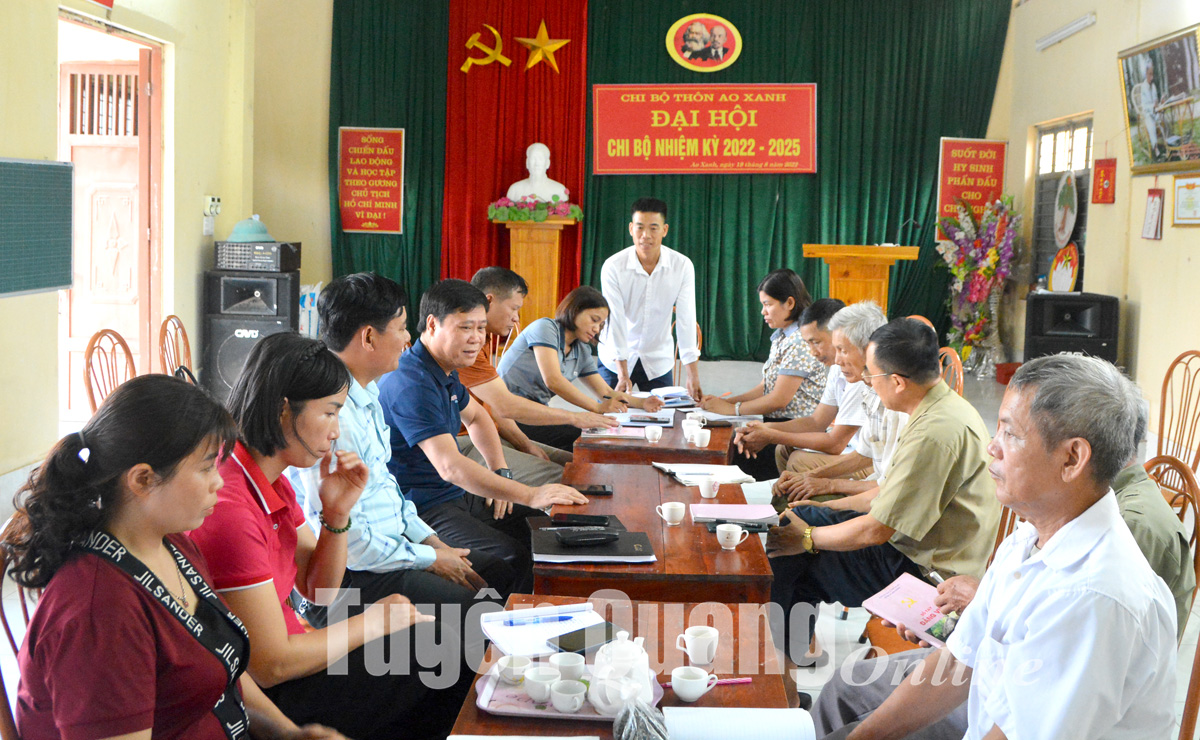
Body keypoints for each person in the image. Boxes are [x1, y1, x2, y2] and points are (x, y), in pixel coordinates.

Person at [832, 354, 1178, 740]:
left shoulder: (1091, 598)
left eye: (1010, 434)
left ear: (1072, 458)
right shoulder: (1028, 537)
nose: (991, 447)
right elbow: (959, 661)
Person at [8, 374, 346, 740]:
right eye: (206, 468)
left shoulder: (171, 543)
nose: (219, 481)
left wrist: (289, 733)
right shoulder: (100, 611)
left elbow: (221, 665)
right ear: (142, 479)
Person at [189, 333, 447, 740]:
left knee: (432, 643)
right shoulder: (231, 505)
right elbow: (270, 666)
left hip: (291, 658)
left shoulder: (270, 477)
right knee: (437, 652)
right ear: (283, 410)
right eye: (329, 413)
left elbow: (317, 589)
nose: (336, 431)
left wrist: (336, 514)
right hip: (265, 696)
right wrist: (372, 623)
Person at [766, 318, 999, 700]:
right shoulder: (939, 410)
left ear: (897, 381)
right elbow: (886, 495)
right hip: (920, 549)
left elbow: (877, 529)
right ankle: (784, 682)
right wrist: (822, 509)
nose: (866, 382)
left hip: (931, 577)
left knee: (788, 553)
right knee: (795, 530)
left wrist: (806, 537)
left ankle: (781, 688)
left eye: (871, 376)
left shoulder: (933, 433)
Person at [284, 273, 509, 643]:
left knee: (497, 573)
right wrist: (429, 559)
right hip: (347, 578)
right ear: (369, 337)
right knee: (476, 611)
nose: (408, 338)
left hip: (388, 548)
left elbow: (388, 490)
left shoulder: (366, 393)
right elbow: (352, 545)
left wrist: (432, 542)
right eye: (402, 328)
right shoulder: (333, 415)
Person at [378, 279, 588, 591]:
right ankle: (502, 621)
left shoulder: (443, 369)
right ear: (432, 325)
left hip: (454, 494)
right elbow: (450, 467)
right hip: (424, 506)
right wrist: (529, 493)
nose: (477, 338)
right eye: (466, 327)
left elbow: (478, 417)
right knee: (511, 557)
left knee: (544, 525)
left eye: (480, 327)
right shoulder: (412, 382)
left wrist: (500, 469)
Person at [460, 266, 615, 481]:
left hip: (493, 431)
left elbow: (495, 410)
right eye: (514, 308)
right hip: (465, 439)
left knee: (584, 466)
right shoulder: (466, 345)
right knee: (574, 476)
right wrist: (576, 417)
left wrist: (525, 445)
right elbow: (509, 405)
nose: (516, 318)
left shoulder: (482, 342)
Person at [497, 285, 665, 451]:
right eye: (594, 319)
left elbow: (605, 391)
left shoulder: (581, 349)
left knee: (597, 435)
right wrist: (597, 408)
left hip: (537, 411)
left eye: (601, 324)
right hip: (509, 411)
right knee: (585, 439)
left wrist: (642, 403)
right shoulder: (546, 328)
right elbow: (553, 380)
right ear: (574, 310)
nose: (596, 329)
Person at [699, 269, 826, 479]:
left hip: (795, 432)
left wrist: (733, 410)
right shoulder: (782, 336)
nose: (762, 311)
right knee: (730, 443)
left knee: (732, 451)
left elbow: (778, 399)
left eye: (768, 304)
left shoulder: (799, 341)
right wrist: (727, 402)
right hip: (777, 425)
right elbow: (765, 387)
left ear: (790, 303)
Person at [733, 301, 877, 478]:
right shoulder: (839, 369)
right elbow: (816, 422)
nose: (812, 352)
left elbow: (835, 444)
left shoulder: (860, 376)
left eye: (816, 342)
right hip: (854, 451)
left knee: (799, 460)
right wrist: (764, 429)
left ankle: (799, 494)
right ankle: (792, 495)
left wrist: (770, 435)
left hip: (868, 461)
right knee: (784, 449)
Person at [597, 198, 703, 399]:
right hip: (614, 360)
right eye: (640, 227)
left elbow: (686, 319)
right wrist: (622, 373)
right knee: (608, 413)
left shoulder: (682, 266)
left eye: (653, 228)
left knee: (664, 415)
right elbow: (615, 320)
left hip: (657, 360)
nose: (645, 235)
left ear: (665, 230)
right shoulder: (613, 266)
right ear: (631, 228)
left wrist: (692, 375)